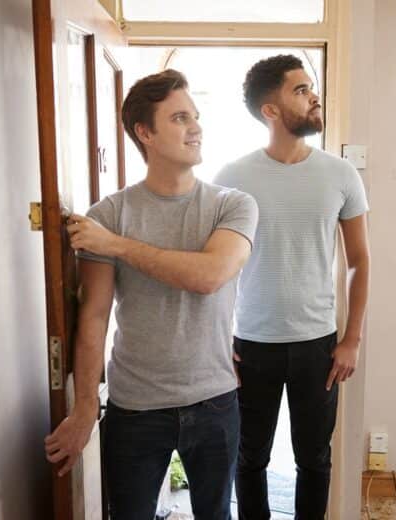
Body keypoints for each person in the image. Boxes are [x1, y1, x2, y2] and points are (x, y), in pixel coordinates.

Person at [43, 69, 258, 520]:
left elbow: (211, 275)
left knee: (216, 514)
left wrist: (117, 245)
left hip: (215, 400)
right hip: (135, 407)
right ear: (145, 133)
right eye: (180, 118)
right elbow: (94, 317)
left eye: (195, 116)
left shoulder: (233, 205)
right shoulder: (108, 214)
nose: (195, 127)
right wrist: (84, 409)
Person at [214, 54, 371, 520]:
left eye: (311, 87)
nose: (313, 96)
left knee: (314, 459)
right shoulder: (231, 179)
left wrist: (352, 339)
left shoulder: (340, 174)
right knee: (249, 457)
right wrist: (217, 340)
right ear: (270, 110)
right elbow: (215, 270)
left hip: (318, 346)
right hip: (250, 344)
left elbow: (359, 261)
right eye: (300, 90)